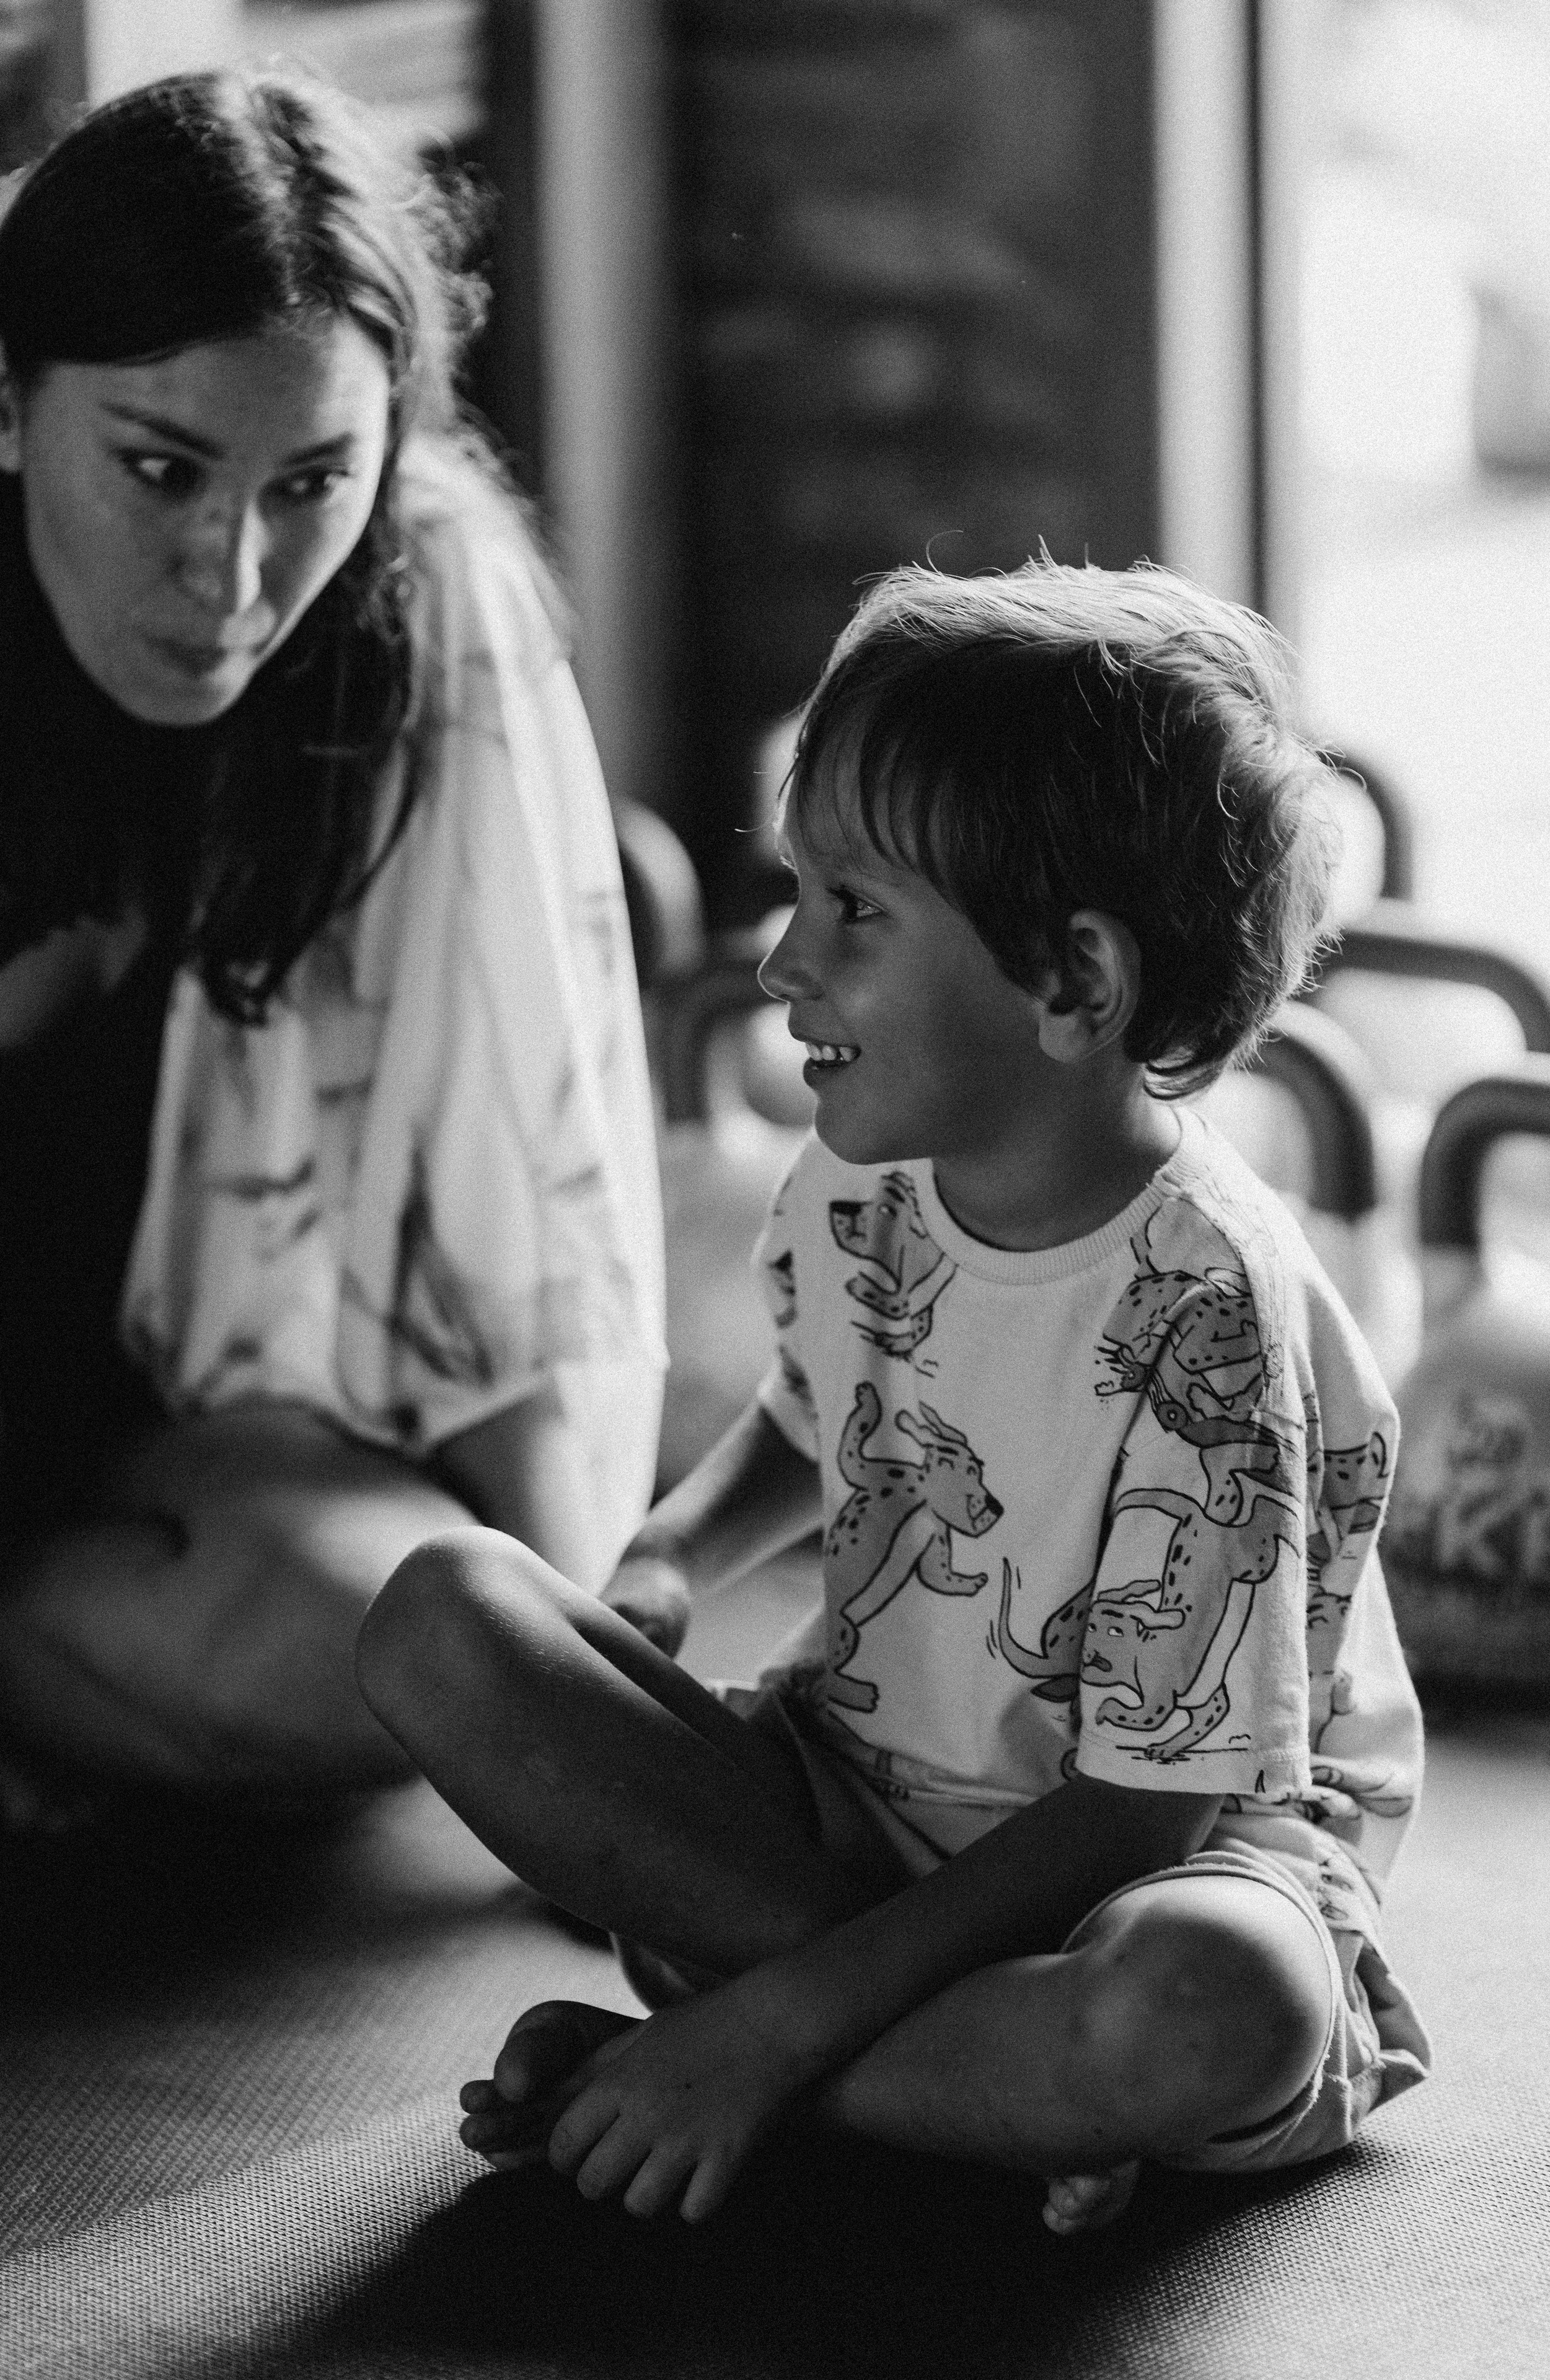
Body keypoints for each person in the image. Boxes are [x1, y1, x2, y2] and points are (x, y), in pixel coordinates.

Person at [356, 560, 1432, 2232]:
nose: (786, 963)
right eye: (801, 892)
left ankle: (753, 2055)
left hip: (1155, 1862)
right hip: (862, 1805)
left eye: (855, 910)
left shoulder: (1206, 1308)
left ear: (1073, 983)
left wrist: (773, 2013)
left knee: (1214, 2011)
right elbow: (822, 1413)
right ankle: (945, 2091)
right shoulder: (860, 1182)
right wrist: (669, 1554)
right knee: (441, 1611)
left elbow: (1152, 1796)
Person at [0, 69, 664, 1802]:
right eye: (160, 469)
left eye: (311, 484)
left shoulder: (421, 623)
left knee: (407, 1626)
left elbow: (540, 1208)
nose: (235, 579)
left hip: (183, 1470)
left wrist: (559, 1691)